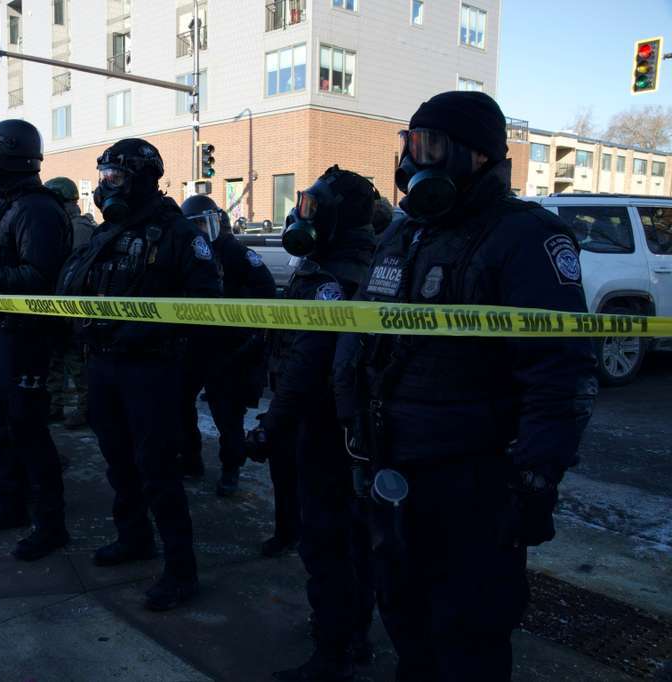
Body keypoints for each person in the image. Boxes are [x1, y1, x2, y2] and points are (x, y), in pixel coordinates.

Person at [335, 91, 598, 682]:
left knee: (468, 632)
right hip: (390, 464)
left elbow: (560, 370)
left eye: (430, 146)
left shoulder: (528, 236)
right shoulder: (405, 233)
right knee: (401, 611)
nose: (413, 159)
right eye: (409, 144)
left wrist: (535, 479)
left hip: (473, 480)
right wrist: (352, 423)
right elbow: (358, 334)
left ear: (477, 157)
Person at [57, 138, 222, 610]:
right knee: (118, 461)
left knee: (157, 470)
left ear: (143, 178)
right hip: (105, 364)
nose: (107, 186)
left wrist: (142, 330)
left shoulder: (177, 233)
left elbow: (207, 302)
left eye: (116, 177)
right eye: (103, 177)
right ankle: (134, 538)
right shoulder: (110, 232)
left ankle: (180, 569)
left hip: (152, 369)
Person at [245, 167, 379, 681]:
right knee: (353, 536)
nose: (301, 216)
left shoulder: (336, 273)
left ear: (338, 216)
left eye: (312, 208)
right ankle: (353, 632)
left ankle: (333, 650)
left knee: (326, 541)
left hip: (324, 423)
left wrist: (272, 425)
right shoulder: (345, 261)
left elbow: (307, 363)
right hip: (345, 421)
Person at [0, 119, 72, 561]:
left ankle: (50, 523)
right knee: (3, 428)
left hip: (23, 337)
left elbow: (38, 280)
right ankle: (11, 503)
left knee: (29, 431)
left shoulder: (36, 210)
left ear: (12, 155)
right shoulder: (3, 206)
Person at [178, 194, 275, 495]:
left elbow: (268, 295)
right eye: (193, 227)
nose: (201, 233)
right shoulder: (188, 255)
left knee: (227, 416)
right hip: (194, 345)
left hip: (228, 349)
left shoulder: (238, 254)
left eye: (204, 225)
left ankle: (231, 469)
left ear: (218, 221)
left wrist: (249, 335)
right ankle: (191, 458)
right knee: (180, 407)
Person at [44, 176, 96, 429]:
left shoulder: (78, 228)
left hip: (73, 305)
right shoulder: (68, 224)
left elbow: (73, 270)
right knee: (56, 357)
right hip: (59, 304)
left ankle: (86, 409)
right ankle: (55, 406)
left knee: (76, 360)